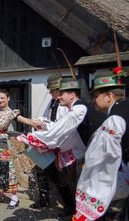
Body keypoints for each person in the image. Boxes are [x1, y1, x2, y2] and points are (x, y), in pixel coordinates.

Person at [18, 77, 105, 217]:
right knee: (49, 173)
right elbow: (49, 121)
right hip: (58, 144)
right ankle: (50, 200)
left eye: (56, 91)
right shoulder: (55, 103)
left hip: (69, 147)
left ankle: (74, 208)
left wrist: (38, 138)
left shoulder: (76, 108)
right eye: (53, 91)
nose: (54, 94)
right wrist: (39, 124)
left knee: (71, 180)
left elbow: (61, 128)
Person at [73, 68, 129, 221]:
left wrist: (88, 168)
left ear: (109, 96)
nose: (93, 101)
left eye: (96, 96)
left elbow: (101, 154)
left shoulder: (114, 119)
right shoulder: (125, 108)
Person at [29, 73, 69, 209]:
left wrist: (44, 125)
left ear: (59, 89)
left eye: (52, 90)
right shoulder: (52, 101)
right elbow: (46, 116)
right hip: (49, 142)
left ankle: (69, 206)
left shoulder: (65, 104)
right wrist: (38, 121)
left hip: (61, 145)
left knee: (62, 177)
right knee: (41, 170)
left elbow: (60, 125)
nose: (50, 92)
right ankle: (44, 199)